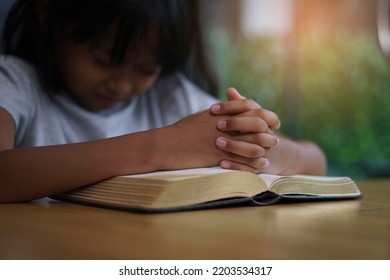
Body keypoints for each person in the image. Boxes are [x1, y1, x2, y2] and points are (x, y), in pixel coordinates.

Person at [0, 0, 326, 203]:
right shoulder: (15, 83)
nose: (123, 84)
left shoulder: (167, 95)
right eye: (103, 59)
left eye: (146, 69)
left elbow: (316, 161)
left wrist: (263, 148)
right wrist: (160, 147)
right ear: (47, 8)